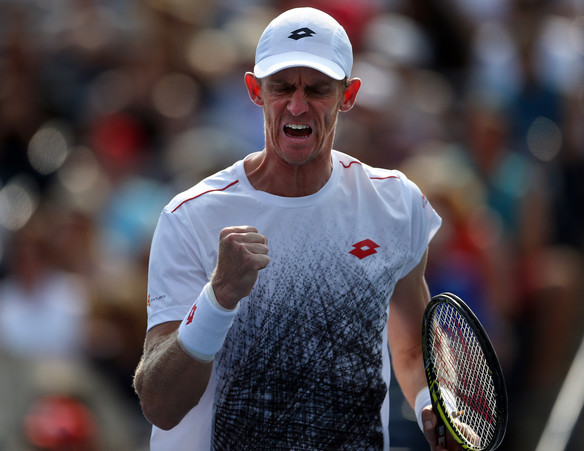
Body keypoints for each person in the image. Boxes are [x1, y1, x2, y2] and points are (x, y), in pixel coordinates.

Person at [134, 7, 454, 450]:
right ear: (254, 91)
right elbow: (159, 405)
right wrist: (219, 297)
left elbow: (413, 350)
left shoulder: (397, 205)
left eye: (318, 89)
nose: (297, 104)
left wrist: (427, 403)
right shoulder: (190, 217)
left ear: (348, 95)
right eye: (282, 86)